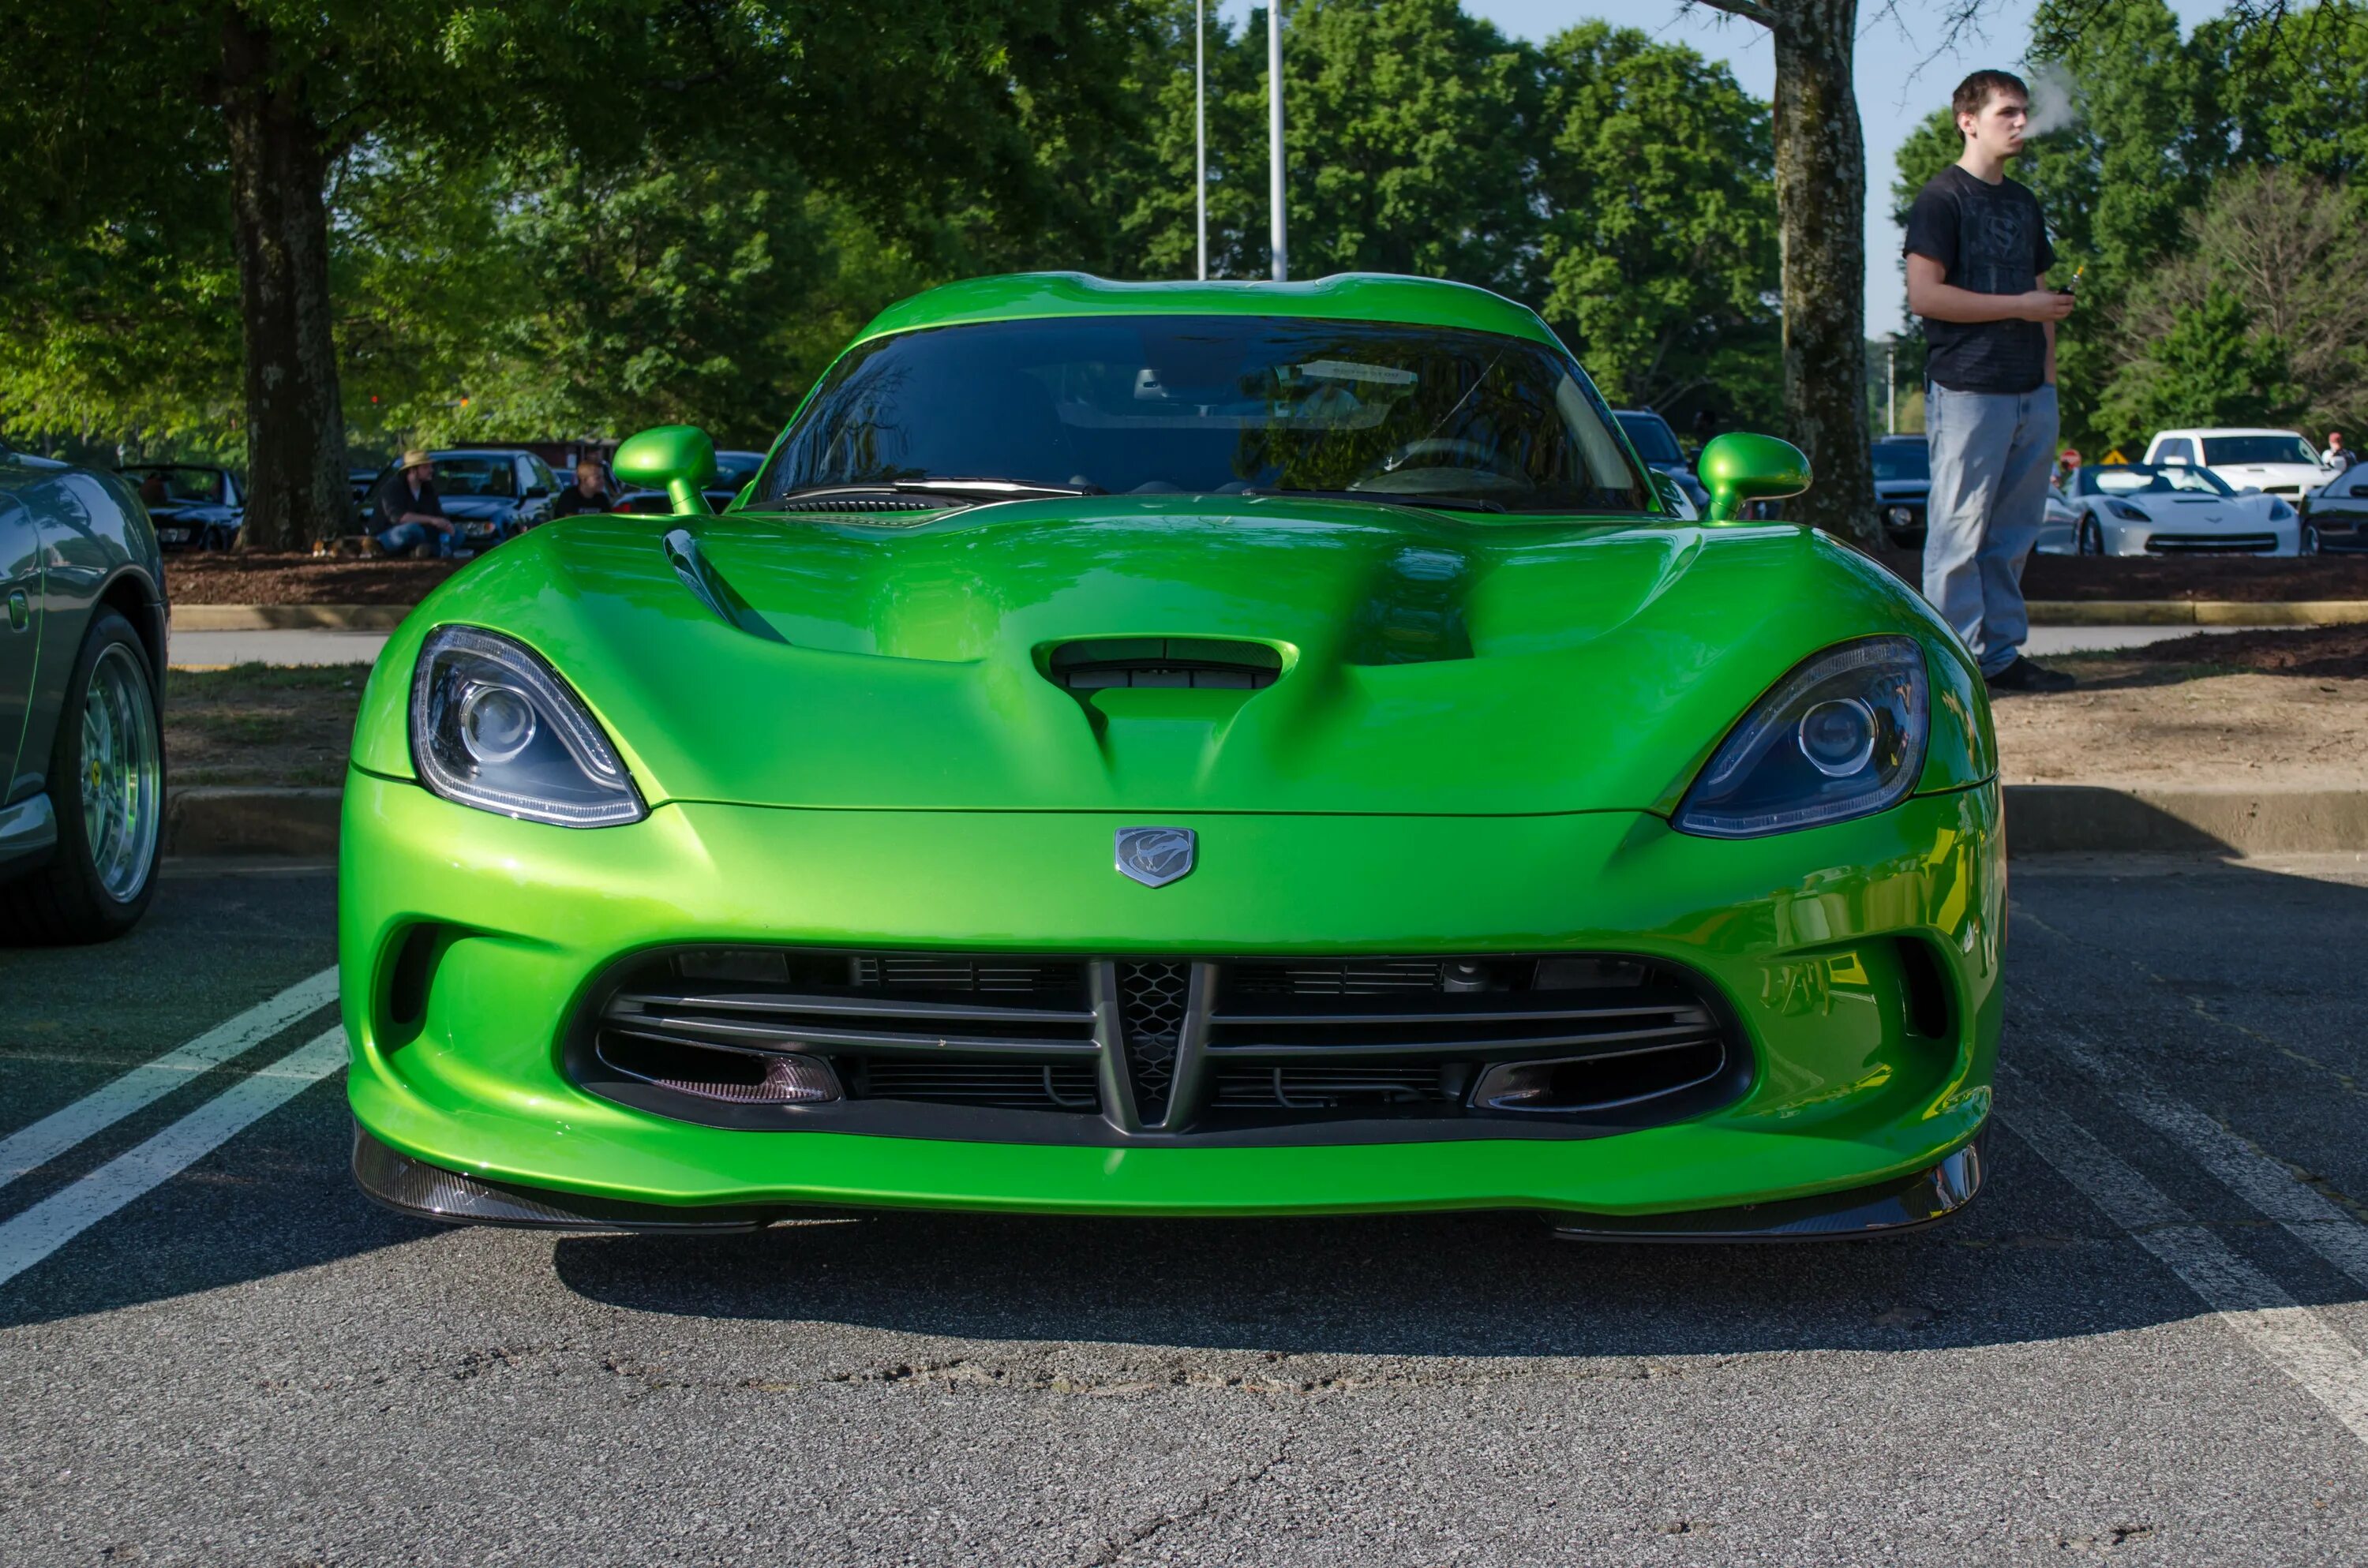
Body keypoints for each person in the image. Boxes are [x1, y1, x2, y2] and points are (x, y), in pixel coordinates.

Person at [1904, 69, 2079, 694]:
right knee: (1958, 531)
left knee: (2011, 535)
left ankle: (2000, 657)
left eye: (2025, 111)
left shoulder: (2024, 203)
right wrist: (2020, 309)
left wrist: (2049, 384)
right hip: (1968, 389)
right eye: (2007, 112)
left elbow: (2040, 295)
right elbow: (1924, 295)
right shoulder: (1940, 199)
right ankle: (1953, 668)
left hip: (2030, 391)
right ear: (1968, 119)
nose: (2021, 123)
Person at [373, 449, 454, 558]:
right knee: (412, 529)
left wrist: (446, 524)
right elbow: (398, 517)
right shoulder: (393, 488)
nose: (431, 470)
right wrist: (431, 520)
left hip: (425, 534)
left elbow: (438, 513)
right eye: (425, 467)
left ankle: (422, 551)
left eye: (430, 466)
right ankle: (425, 551)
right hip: (389, 534)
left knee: (457, 534)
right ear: (412, 470)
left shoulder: (428, 489)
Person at [549, 456, 616, 518]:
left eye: (603, 477)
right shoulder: (568, 497)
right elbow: (566, 523)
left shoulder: (602, 499)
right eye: (598, 478)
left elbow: (607, 521)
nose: (603, 481)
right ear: (584, 480)